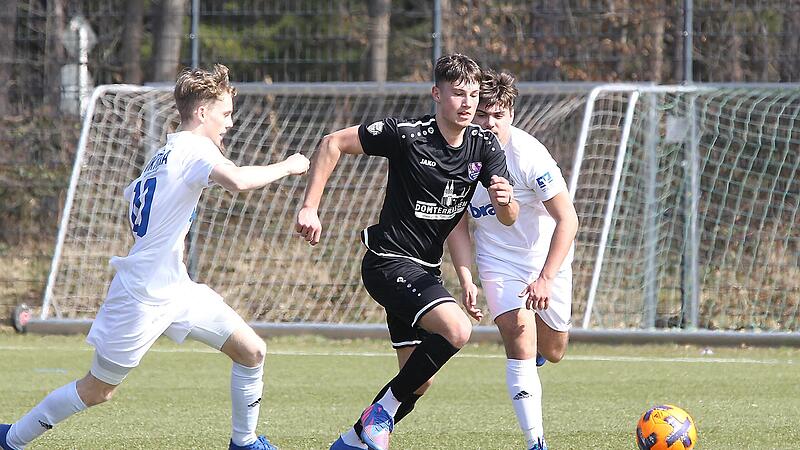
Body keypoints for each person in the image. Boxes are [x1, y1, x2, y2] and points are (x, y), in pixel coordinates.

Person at [0, 64, 310, 450]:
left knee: (251, 351)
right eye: (226, 114)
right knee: (97, 390)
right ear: (202, 112)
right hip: (142, 296)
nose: (229, 124)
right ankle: (10, 438)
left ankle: (244, 443)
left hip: (175, 288)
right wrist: (290, 165)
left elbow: (134, 198)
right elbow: (238, 181)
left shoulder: (163, 154)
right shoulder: (194, 148)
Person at [295, 54, 517, 450]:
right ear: (436, 93)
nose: (467, 103)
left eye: (472, 95)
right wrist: (310, 207)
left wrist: (504, 201)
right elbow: (332, 144)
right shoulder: (407, 134)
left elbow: (508, 217)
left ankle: (349, 441)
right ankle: (378, 415)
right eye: (457, 94)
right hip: (387, 262)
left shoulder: (483, 146)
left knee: (419, 378)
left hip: (425, 272)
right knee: (457, 329)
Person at [447, 70, 578, 450]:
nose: (488, 123)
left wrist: (546, 277)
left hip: (544, 259)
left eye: (497, 115)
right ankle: (536, 441)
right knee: (518, 335)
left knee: (553, 351)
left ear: (511, 115)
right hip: (496, 259)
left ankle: (536, 352)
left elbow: (568, 220)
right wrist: (466, 277)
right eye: (482, 114)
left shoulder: (529, 155)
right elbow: (457, 223)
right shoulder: (458, 153)